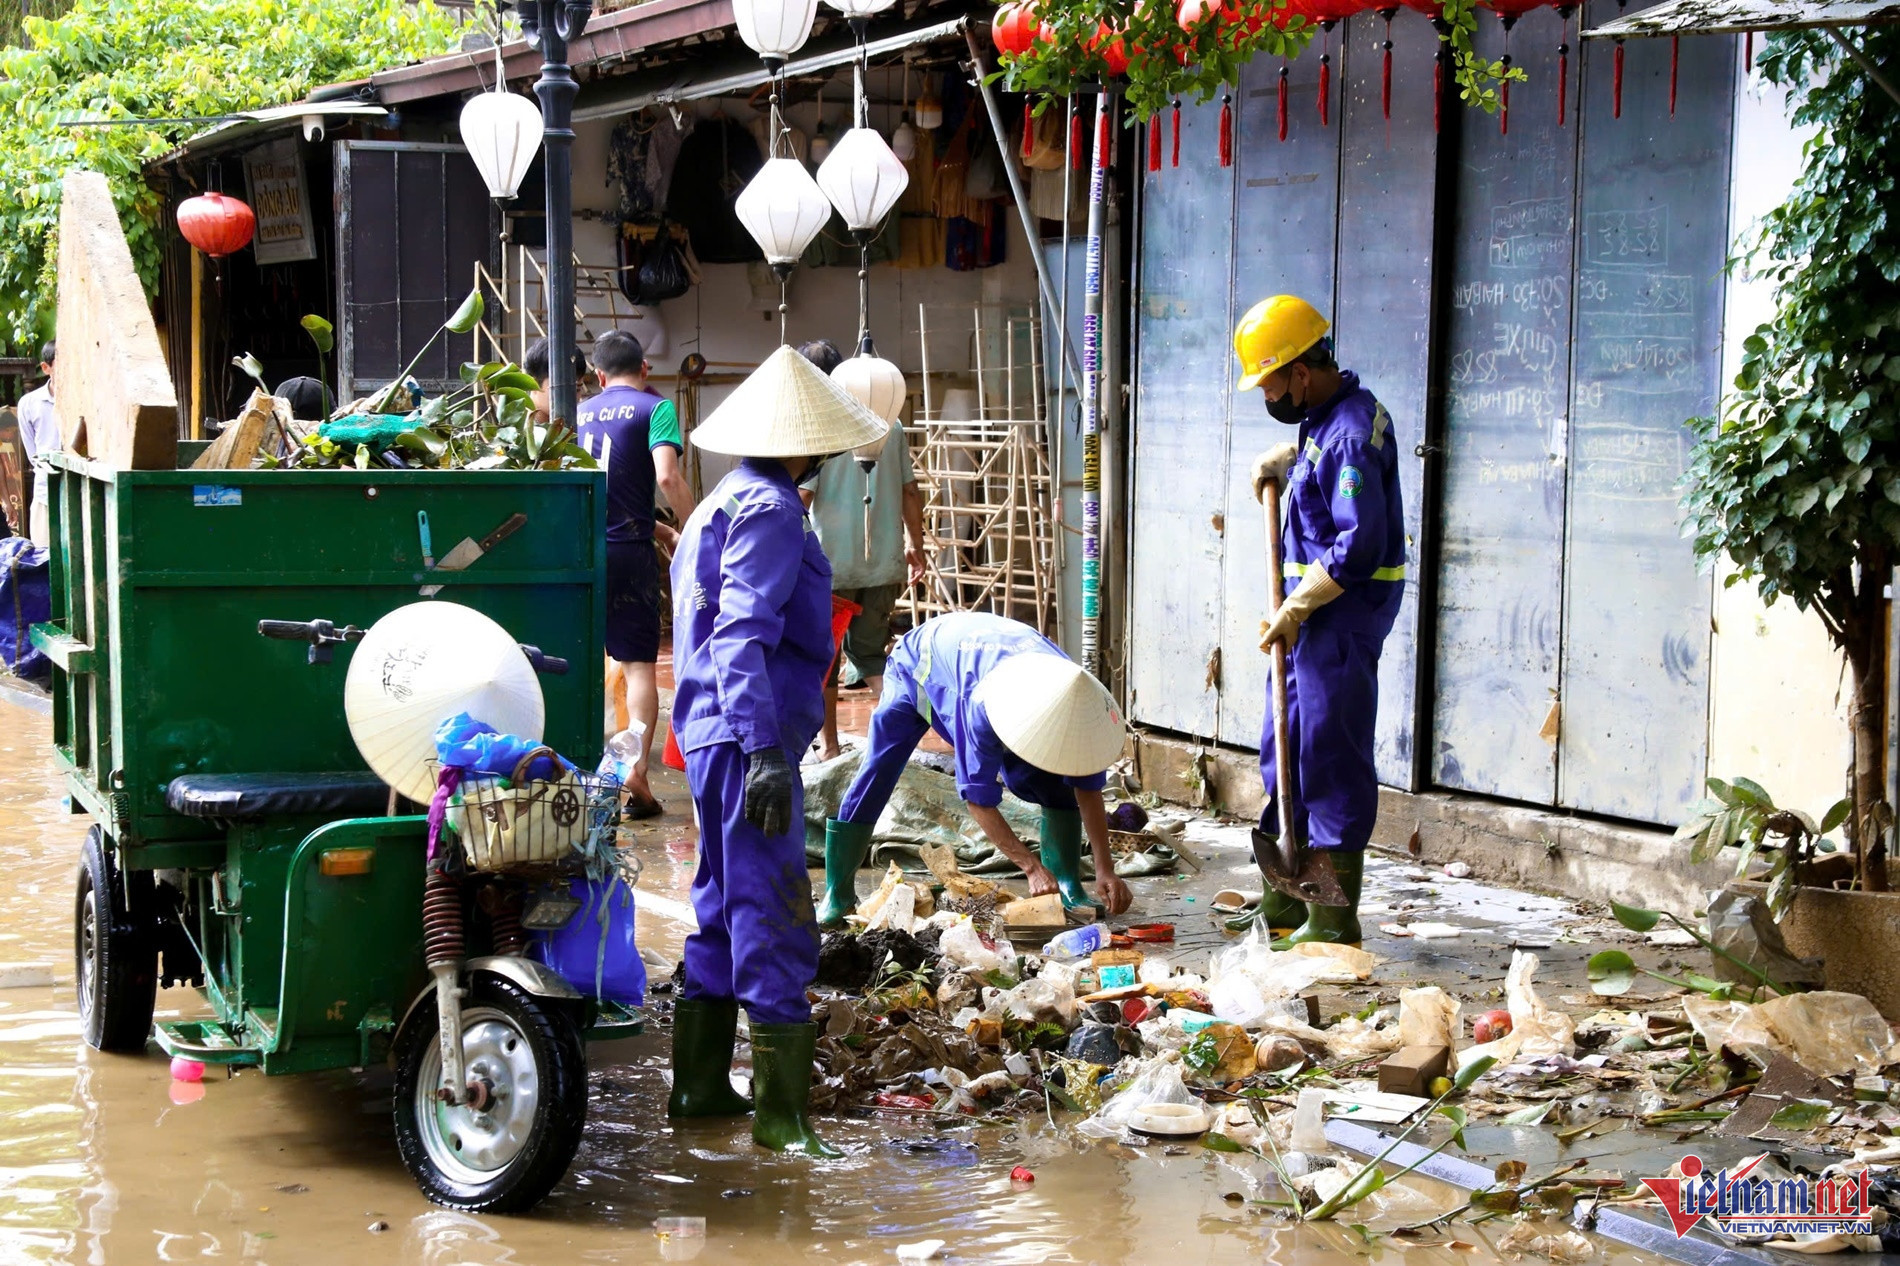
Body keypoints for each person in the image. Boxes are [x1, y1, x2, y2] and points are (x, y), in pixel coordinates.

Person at [664, 345, 888, 1157]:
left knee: (722, 907)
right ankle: (781, 1119)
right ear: (809, 440)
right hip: (744, 735)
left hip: (711, 733)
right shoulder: (770, 511)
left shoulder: (721, 501)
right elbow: (741, 636)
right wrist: (763, 748)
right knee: (772, 910)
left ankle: (696, 1088)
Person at [1233, 295, 1405, 946]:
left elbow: (1358, 545)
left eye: (1271, 382)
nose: (1268, 394)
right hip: (1309, 621)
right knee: (1286, 748)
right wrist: (1290, 462)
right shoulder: (1327, 415)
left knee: (1329, 754)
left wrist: (1298, 605)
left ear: (1301, 373)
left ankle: (1334, 918)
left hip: (1341, 616)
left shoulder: (1351, 433)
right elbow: (1322, 473)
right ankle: (1286, 898)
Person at [818, 611, 1133, 925]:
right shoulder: (980, 708)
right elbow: (977, 799)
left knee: (1052, 780)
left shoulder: (1077, 700)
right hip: (919, 666)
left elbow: (1088, 787)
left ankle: (1067, 883)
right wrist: (1031, 867)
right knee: (880, 769)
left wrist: (1105, 869)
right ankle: (839, 892)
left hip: (983, 655)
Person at [576, 330, 695, 817]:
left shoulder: (576, 411)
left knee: (581, 663)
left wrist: (660, 530)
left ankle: (579, 772)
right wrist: (694, 526)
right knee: (639, 666)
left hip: (579, 553)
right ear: (645, 368)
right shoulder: (654, 408)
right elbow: (666, 476)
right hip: (629, 555)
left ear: (599, 376)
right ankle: (635, 773)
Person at [793, 339, 927, 762]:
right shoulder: (892, 423)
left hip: (830, 568)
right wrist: (914, 545)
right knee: (871, 655)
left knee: (826, 662)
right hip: (883, 564)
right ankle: (902, 744)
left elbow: (801, 500)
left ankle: (830, 748)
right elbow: (910, 491)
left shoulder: (822, 428)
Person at [17, 341, 56, 547]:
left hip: (82, 489)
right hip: (45, 492)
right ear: (46, 368)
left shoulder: (89, 400)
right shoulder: (29, 404)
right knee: (44, 557)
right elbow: (33, 454)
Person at [523, 336, 590, 423]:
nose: (570, 399)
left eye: (577, 389)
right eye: (561, 390)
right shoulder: (513, 432)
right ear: (533, 384)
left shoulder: (579, 427)